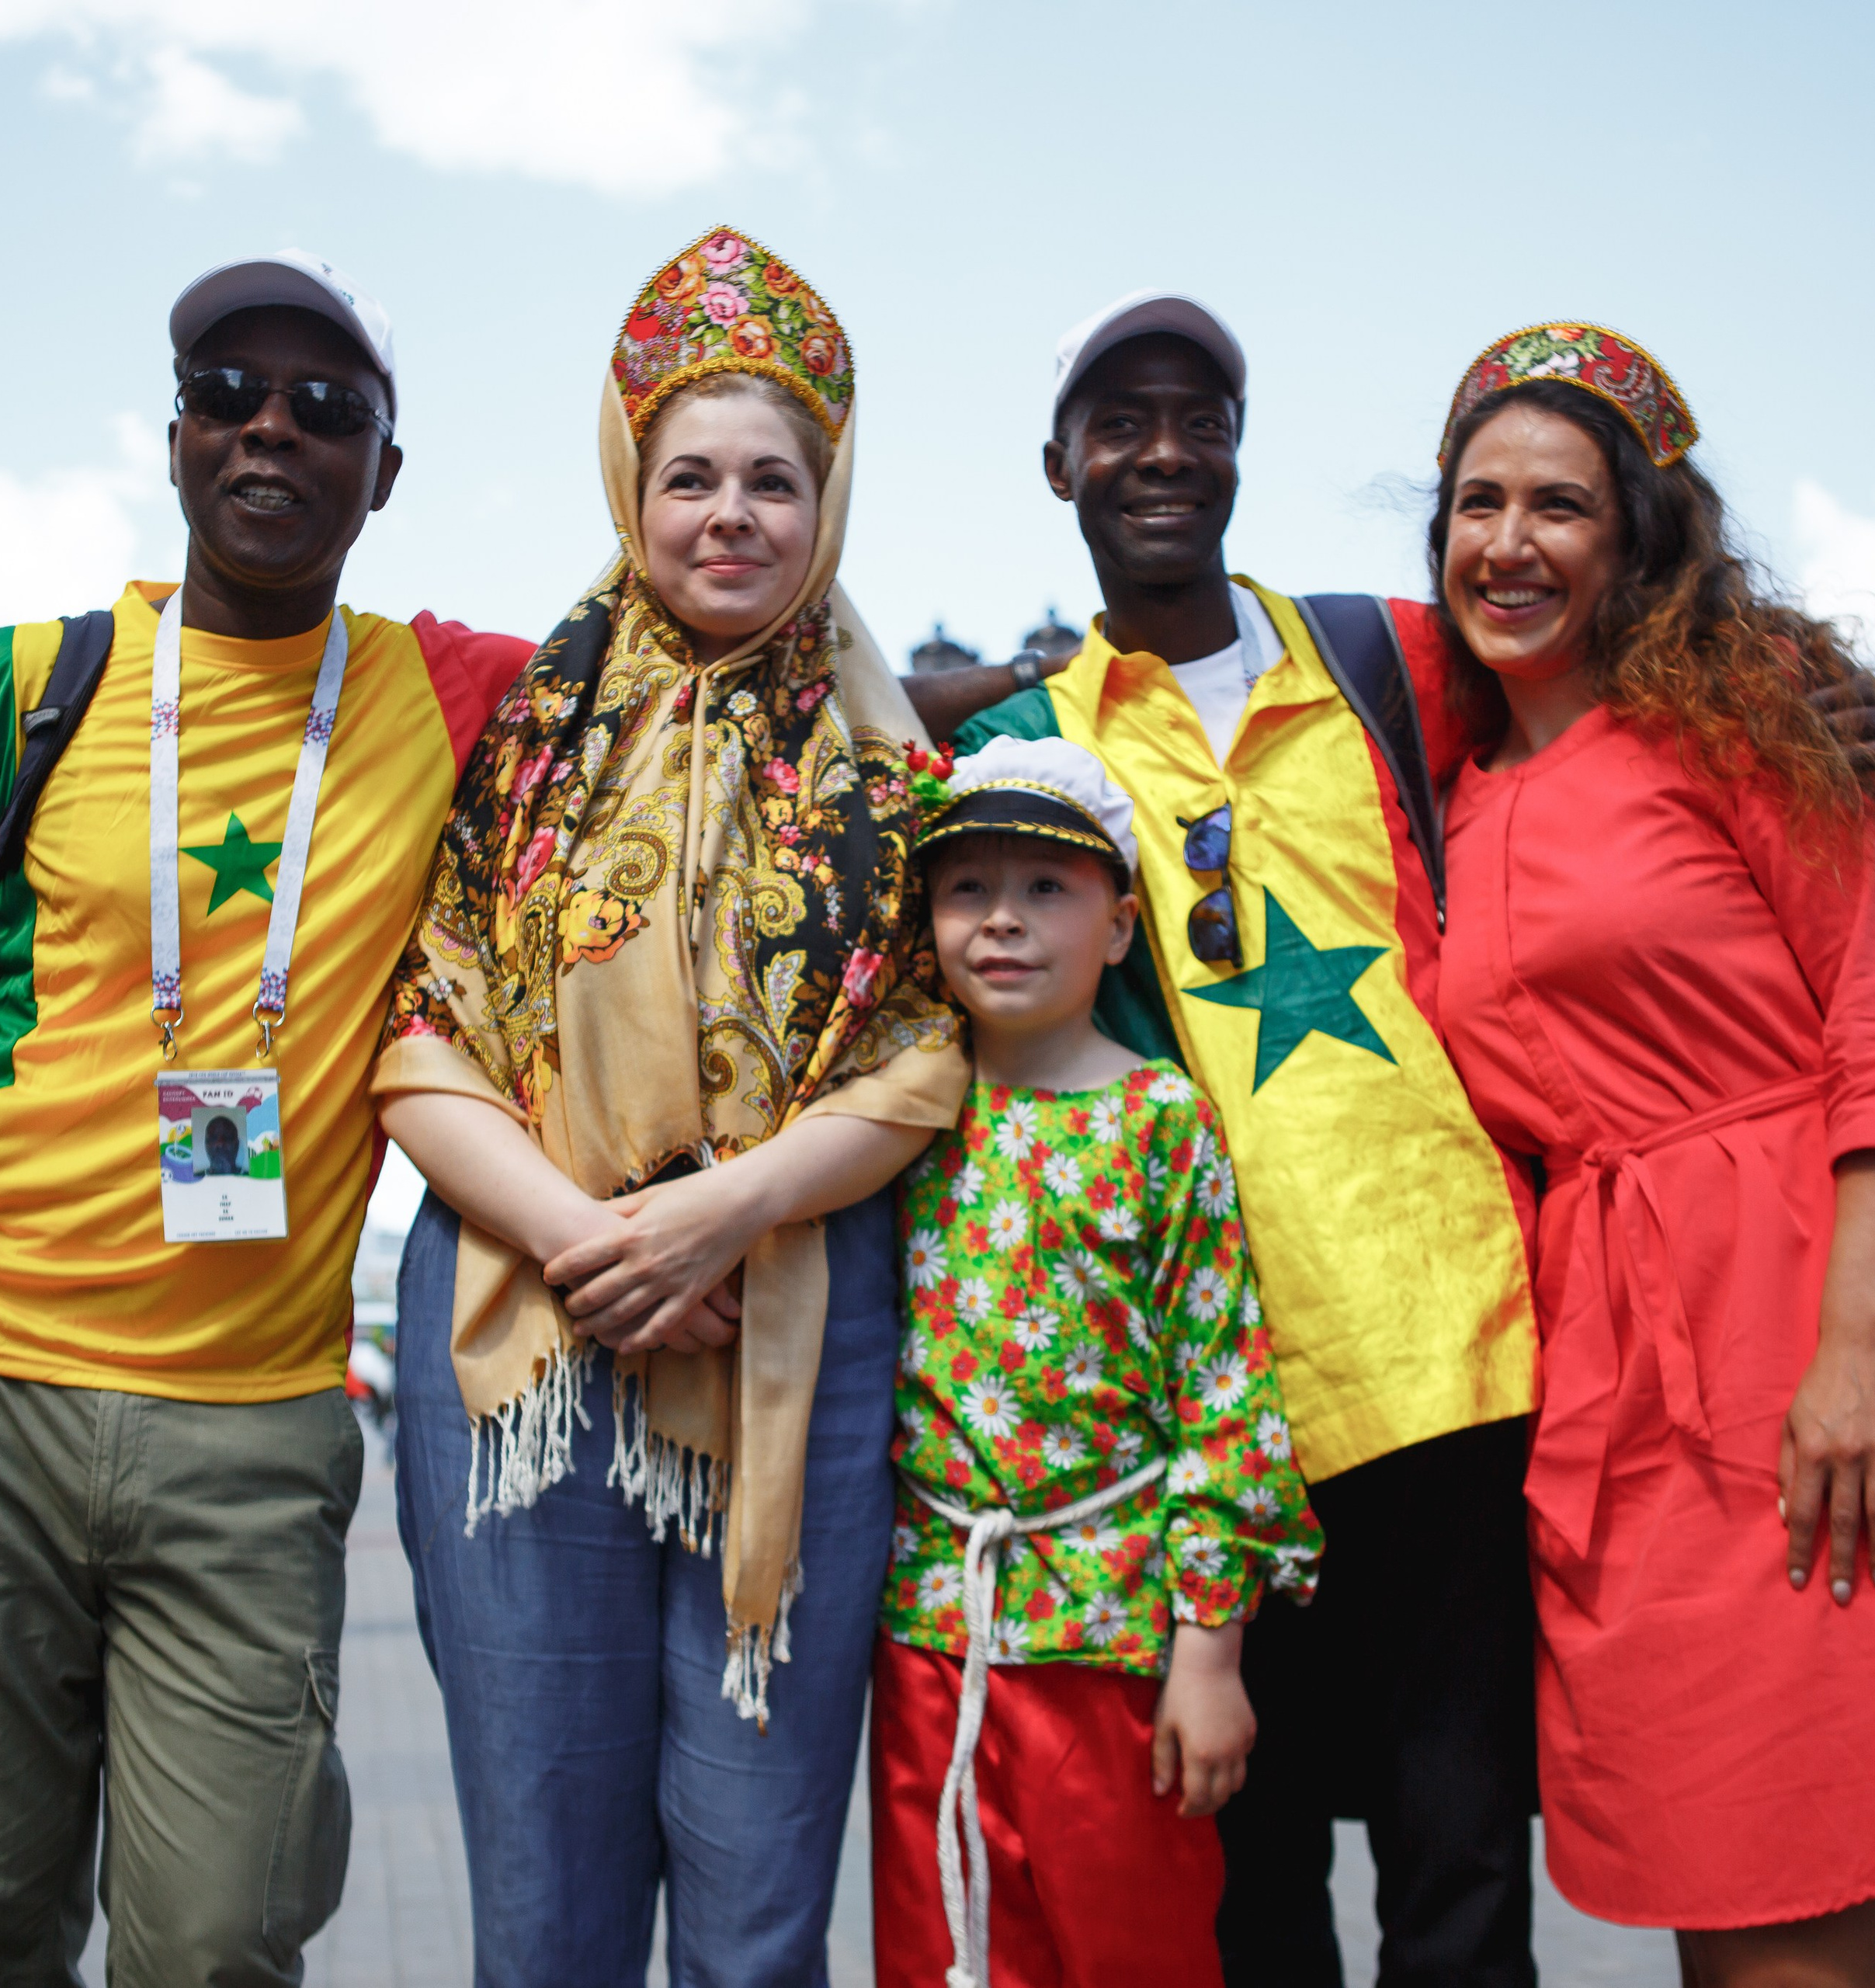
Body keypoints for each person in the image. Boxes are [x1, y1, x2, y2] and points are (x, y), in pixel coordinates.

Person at [0, 250, 531, 1986]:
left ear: (381, 471)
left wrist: (994, 717)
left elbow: (711, 655)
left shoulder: (449, 692)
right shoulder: (16, 689)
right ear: (171, 436)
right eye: (223, 393)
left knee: (218, 1932)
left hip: (251, 1423)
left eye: (325, 408)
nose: (268, 430)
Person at [373, 227, 967, 1987]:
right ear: (626, 484)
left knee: (760, 1878)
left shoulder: (902, 771)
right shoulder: (516, 737)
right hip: (522, 1328)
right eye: (687, 473)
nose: (729, 514)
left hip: (792, 1314)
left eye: (772, 480)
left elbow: (924, 1050)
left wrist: (723, 1211)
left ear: (829, 498)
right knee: (543, 1893)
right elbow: (419, 1035)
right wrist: (592, 1242)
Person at [933, 291, 1542, 1986]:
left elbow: (1606, 652)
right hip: (1214, 1409)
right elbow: (877, 752)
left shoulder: (1386, 658)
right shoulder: (1031, 740)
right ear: (1056, 465)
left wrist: (1814, 691)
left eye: (1196, 415)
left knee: (1460, 1878)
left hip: (1445, 1356)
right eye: (1119, 419)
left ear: (1234, 450)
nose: (1161, 450)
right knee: (1250, 1898)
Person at [1429, 325, 1875, 1984]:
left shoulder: (1739, 722)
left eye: (1556, 503)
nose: (1508, 542)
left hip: (1794, 1321)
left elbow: (1863, 1007)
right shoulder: (1453, 800)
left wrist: (1852, 1346)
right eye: (1475, 502)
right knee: (1719, 1878)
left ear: (1635, 536)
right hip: (1609, 1387)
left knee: (1808, 1879)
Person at [869, 735, 1322, 1988]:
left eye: (1047, 891)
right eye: (967, 891)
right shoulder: (893, 1123)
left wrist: (1211, 1655)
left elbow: (1225, 1398)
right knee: (945, 1952)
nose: (1002, 923)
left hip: (1118, 1646)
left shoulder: (1161, 1122)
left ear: (1120, 927)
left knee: (1132, 1951)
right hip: (935, 1636)